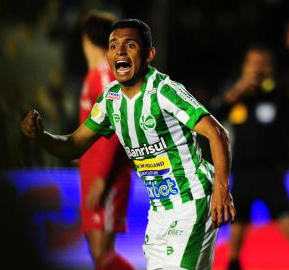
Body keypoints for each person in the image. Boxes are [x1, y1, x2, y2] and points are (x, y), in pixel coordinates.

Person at [22, 18, 236, 270]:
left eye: (130, 45)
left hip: (193, 203)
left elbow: (217, 133)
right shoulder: (110, 100)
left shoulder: (163, 91)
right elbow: (72, 145)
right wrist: (41, 136)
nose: (120, 51)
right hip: (158, 213)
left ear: (149, 54)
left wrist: (221, 188)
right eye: (113, 46)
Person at [210, 46, 289, 270]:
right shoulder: (236, 94)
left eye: (262, 62)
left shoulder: (279, 93)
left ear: (268, 66)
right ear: (245, 66)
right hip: (243, 171)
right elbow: (213, 115)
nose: (257, 67)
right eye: (253, 62)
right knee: (237, 230)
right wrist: (239, 89)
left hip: (271, 172)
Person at [76, 12, 134, 270]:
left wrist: (100, 176)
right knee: (98, 252)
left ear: (86, 39)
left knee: (103, 254)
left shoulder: (104, 75)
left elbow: (114, 125)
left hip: (106, 175)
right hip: (92, 174)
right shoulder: (94, 76)